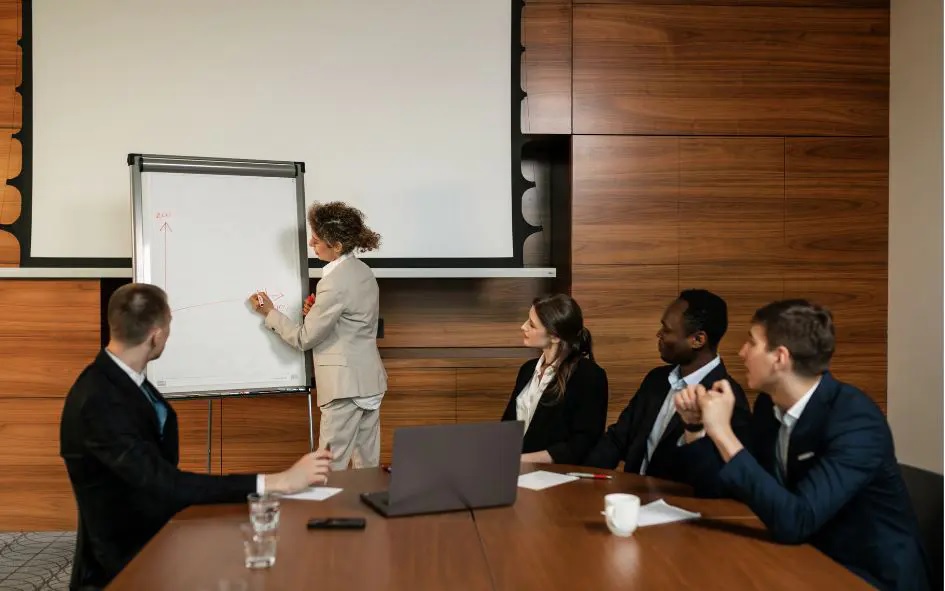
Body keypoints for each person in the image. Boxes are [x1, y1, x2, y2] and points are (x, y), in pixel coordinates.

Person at [60, 283, 332, 591]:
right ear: (156, 334)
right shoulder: (98, 399)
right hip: (121, 568)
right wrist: (277, 481)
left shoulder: (126, 380)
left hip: (157, 542)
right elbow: (163, 483)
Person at [675, 299, 930, 590]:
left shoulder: (856, 419)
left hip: (869, 575)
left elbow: (797, 520)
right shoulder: (768, 407)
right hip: (804, 557)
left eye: (751, 342)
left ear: (779, 358)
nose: (741, 352)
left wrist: (722, 432)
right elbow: (722, 487)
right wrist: (696, 426)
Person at [251, 201, 387, 471]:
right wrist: (317, 312)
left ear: (336, 246)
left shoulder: (333, 282)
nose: (312, 241)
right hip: (369, 382)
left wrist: (270, 312)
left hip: (344, 387)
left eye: (318, 238)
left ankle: (326, 514)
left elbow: (304, 338)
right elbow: (353, 321)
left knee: (328, 468)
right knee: (367, 468)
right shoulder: (363, 272)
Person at [583, 289, 750, 482]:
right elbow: (617, 438)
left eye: (667, 330)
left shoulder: (727, 399)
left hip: (680, 508)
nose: (658, 334)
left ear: (698, 340)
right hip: (632, 498)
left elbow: (720, 478)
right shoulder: (656, 379)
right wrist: (582, 478)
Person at [501, 294, 608, 465]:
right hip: (515, 472)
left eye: (531, 324)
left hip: (557, 477)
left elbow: (582, 443)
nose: (523, 327)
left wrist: (520, 460)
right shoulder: (527, 370)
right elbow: (507, 427)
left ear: (555, 336)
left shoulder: (589, 376)